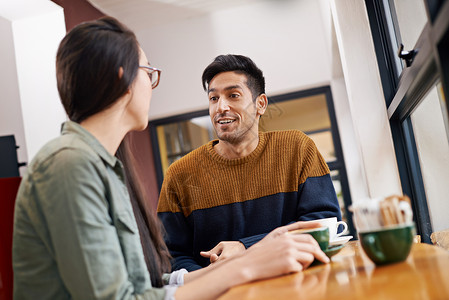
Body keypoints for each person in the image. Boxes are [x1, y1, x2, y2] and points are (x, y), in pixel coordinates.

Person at [12, 17, 330, 300]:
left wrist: (250, 255)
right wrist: (245, 266)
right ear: (122, 79)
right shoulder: (70, 166)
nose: (152, 87)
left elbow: (147, 282)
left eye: (232, 95)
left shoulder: (102, 168)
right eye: (148, 72)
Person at [157, 54, 342, 271]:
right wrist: (218, 279)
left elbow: (324, 224)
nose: (221, 107)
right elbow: (170, 256)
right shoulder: (179, 174)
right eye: (214, 98)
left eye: (233, 95)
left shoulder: (298, 148)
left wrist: (246, 247)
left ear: (260, 104)